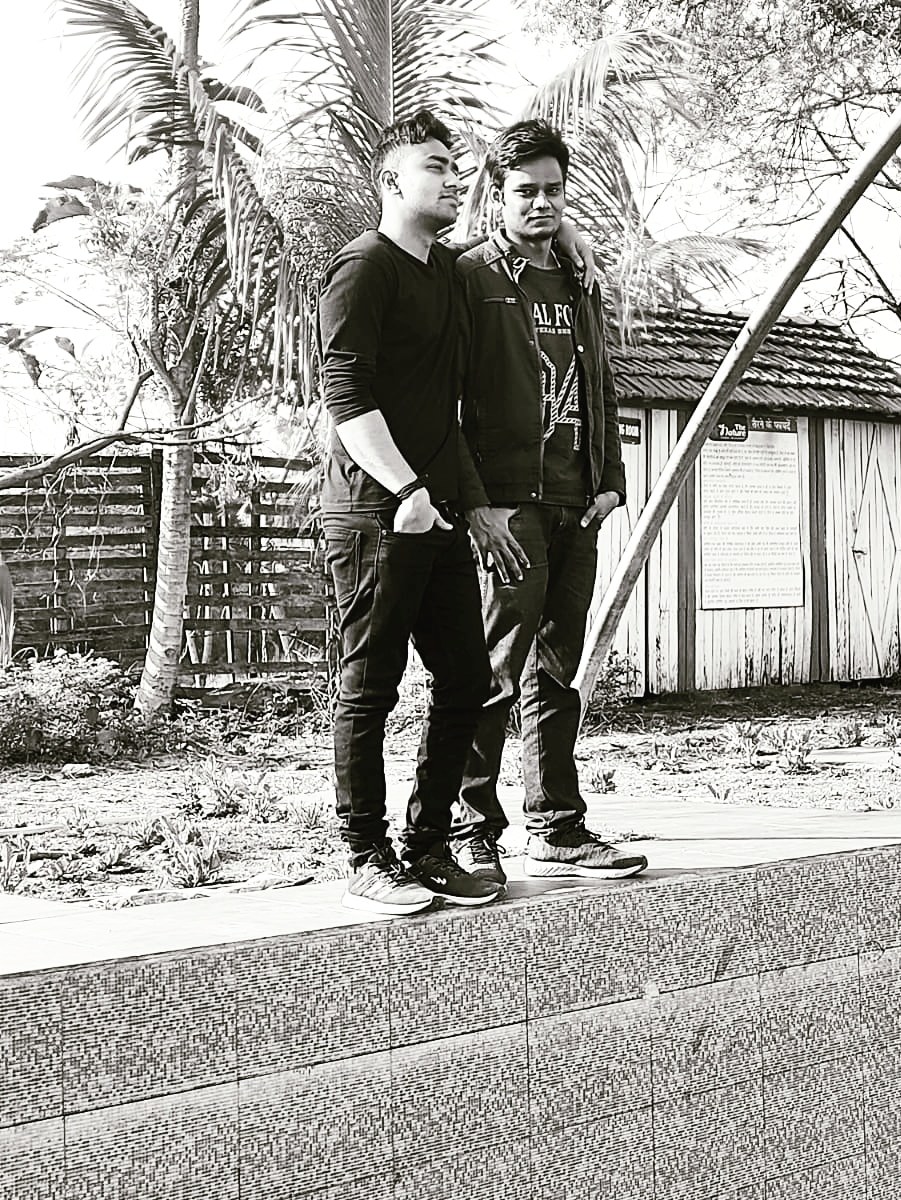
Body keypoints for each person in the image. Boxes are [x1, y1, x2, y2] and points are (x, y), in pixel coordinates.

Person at [452, 120, 649, 884]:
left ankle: (557, 826)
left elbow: (601, 383)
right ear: (497, 197)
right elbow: (448, 401)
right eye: (525, 191)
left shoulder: (577, 279)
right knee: (496, 670)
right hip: (510, 506)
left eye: (553, 191)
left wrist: (612, 478)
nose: (541, 203)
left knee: (558, 673)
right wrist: (477, 503)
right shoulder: (471, 276)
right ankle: (470, 830)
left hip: (577, 501)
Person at [318, 111, 503, 915]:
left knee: (467, 679)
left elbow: (445, 408)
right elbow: (345, 394)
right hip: (375, 514)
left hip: (436, 511)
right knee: (370, 687)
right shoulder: (364, 268)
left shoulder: (446, 275)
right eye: (435, 166)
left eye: (455, 167)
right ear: (391, 181)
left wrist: (464, 503)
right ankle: (365, 855)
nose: (454, 178)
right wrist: (406, 490)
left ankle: (428, 845)